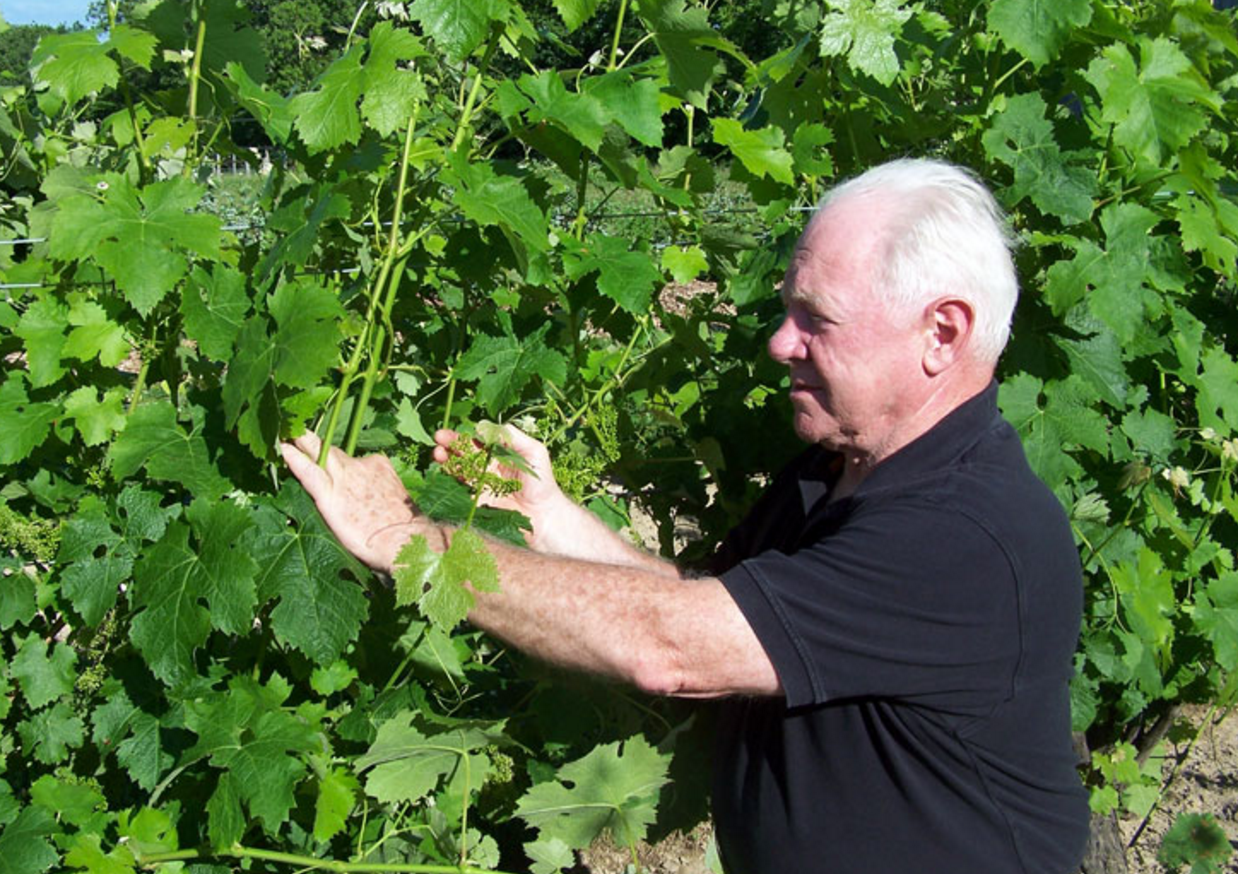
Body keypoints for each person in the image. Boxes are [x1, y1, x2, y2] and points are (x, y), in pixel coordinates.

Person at [281, 158, 1090, 873]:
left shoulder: (964, 532)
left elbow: (671, 649)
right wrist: (547, 513)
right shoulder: (835, 471)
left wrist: (410, 540)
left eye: (817, 318)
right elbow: (720, 613)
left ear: (942, 333)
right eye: (787, 309)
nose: (781, 342)